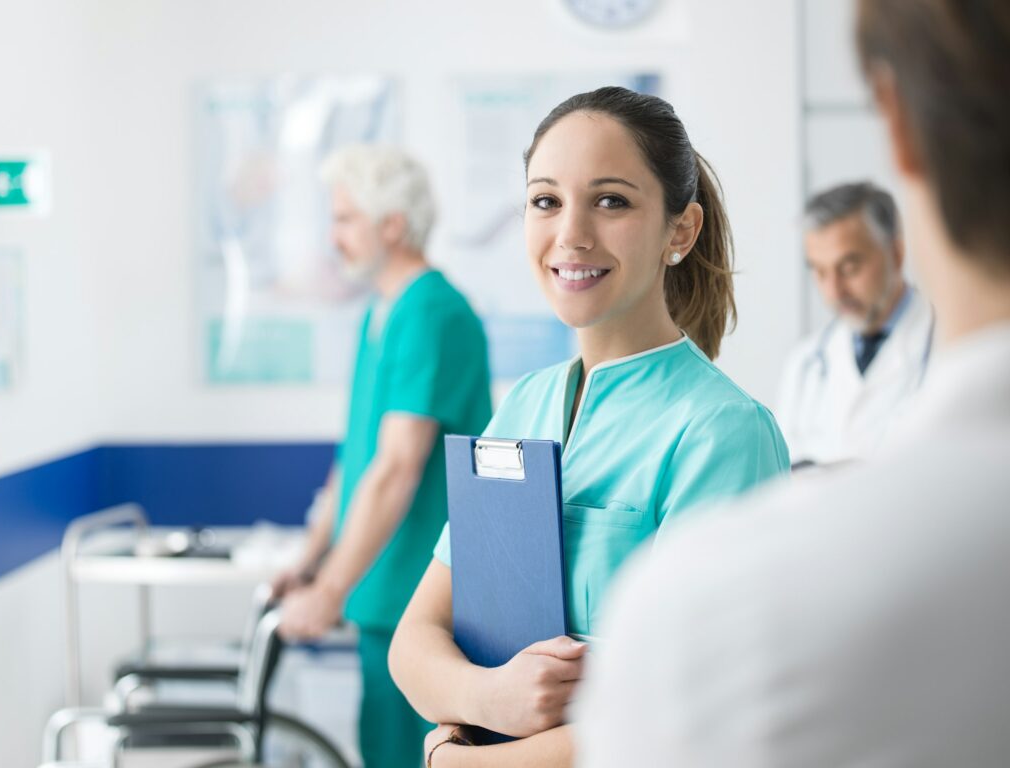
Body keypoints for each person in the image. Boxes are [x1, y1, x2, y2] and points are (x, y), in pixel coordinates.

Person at [579, 1, 1010, 764]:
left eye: (611, 200)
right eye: (542, 200)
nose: (835, 287)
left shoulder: (713, 611)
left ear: (897, 125)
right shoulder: (809, 364)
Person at [388, 86, 790, 767]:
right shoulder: (524, 406)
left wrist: (463, 760)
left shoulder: (722, 434)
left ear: (680, 232)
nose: (571, 234)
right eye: (546, 201)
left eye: (611, 201)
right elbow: (415, 642)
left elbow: (690, 706)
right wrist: (493, 700)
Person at [273, 144, 492, 768]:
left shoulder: (431, 312)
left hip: (424, 603)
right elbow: (357, 459)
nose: (333, 235)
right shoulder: (382, 311)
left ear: (392, 225)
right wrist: (310, 559)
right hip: (381, 593)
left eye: (345, 218)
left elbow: (397, 468)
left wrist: (330, 587)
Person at [775, 181, 934, 466]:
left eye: (849, 268)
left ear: (896, 254)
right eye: (820, 272)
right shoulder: (804, 364)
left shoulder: (947, 348)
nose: (834, 291)